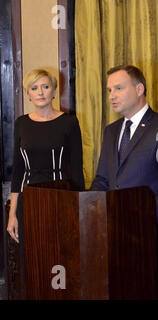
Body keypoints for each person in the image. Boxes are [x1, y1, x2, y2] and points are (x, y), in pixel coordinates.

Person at [90, 65, 158, 300]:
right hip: (114, 238)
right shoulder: (111, 132)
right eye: (109, 89)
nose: (111, 95)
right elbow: (102, 180)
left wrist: (140, 220)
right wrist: (90, 210)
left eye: (119, 88)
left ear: (139, 89)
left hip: (153, 238)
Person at [7, 69, 84, 295]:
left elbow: (77, 169)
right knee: (32, 259)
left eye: (45, 86)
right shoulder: (21, 123)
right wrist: (13, 213)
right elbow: (18, 171)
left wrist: (78, 208)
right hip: (28, 200)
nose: (40, 92)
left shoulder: (69, 122)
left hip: (61, 197)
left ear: (53, 91)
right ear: (28, 94)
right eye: (34, 88)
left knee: (62, 257)